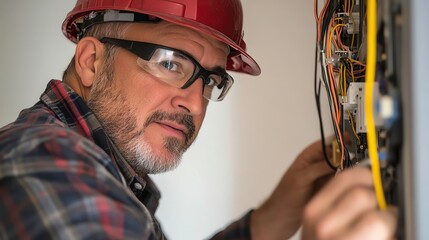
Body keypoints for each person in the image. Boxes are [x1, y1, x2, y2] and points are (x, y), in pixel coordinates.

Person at [0, 0, 397, 239]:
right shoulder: (49, 166)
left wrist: (273, 217)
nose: (195, 102)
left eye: (211, 80)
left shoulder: (103, 170)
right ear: (91, 61)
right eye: (170, 63)